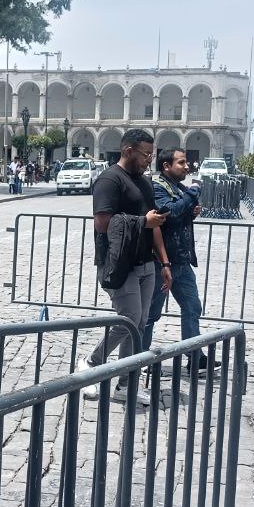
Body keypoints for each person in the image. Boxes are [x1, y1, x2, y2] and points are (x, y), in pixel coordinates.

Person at [84, 128, 172, 405]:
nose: (149, 160)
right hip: (119, 263)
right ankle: (92, 363)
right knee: (128, 319)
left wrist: (164, 262)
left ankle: (125, 383)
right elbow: (102, 222)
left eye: (152, 154)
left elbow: (154, 223)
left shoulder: (145, 183)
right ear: (127, 151)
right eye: (146, 154)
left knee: (139, 323)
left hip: (146, 263)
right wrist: (141, 222)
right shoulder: (109, 180)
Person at [143, 148, 203, 354]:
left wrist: (192, 211)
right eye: (181, 162)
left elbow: (180, 214)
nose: (187, 166)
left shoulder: (177, 187)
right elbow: (170, 211)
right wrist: (193, 193)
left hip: (181, 262)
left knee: (193, 307)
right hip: (162, 262)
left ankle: (195, 357)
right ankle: (138, 360)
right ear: (166, 166)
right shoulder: (157, 187)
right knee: (151, 314)